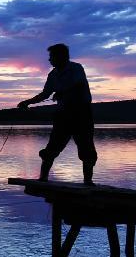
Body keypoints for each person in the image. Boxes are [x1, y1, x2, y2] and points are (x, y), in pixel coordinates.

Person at [18, 43, 97, 185]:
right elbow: (45, 94)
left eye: (51, 57)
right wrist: (27, 102)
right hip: (63, 115)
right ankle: (43, 179)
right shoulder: (52, 75)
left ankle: (88, 182)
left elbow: (78, 84)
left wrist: (62, 92)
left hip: (82, 114)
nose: (49, 60)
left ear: (61, 56)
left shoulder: (76, 68)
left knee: (86, 149)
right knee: (52, 148)